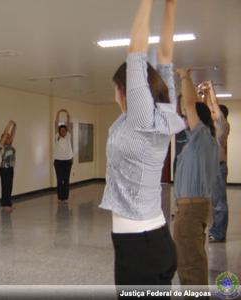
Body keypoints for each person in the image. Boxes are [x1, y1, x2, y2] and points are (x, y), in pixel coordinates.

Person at [99, 0, 185, 287]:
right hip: (157, 238)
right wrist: (170, 5)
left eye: (115, 89)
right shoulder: (164, 111)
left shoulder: (140, 118)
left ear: (123, 90)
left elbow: (136, 53)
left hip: (138, 248)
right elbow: (165, 56)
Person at [173, 70, 219, 287]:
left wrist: (184, 77)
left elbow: (190, 105)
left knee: (189, 264)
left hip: (191, 210)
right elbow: (194, 107)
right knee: (193, 261)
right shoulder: (204, 141)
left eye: (186, 116)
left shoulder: (201, 138)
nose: (184, 118)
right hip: (193, 207)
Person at [201, 81, 230, 243]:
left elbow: (215, 109)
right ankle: (214, 230)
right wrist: (204, 94)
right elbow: (205, 112)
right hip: (210, 168)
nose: (212, 112)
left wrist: (211, 89)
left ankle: (219, 234)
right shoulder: (211, 127)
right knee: (212, 202)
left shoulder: (222, 125)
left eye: (214, 111)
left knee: (219, 203)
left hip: (218, 168)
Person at [53, 109, 73, 203]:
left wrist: (68, 116)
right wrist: (58, 113)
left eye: (64, 130)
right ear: (59, 131)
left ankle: (65, 198)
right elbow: (56, 123)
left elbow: (68, 124)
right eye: (61, 130)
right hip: (58, 162)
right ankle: (60, 198)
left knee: (66, 180)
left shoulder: (68, 136)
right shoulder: (57, 137)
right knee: (60, 180)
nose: (63, 131)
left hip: (68, 161)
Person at [0, 120, 17, 212]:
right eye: (7, 137)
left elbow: (12, 134)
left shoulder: (10, 146)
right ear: (3, 139)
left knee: (9, 186)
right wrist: (9, 125)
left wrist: (14, 126)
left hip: (10, 168)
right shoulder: (1, 146)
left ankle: (8, 203)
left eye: (9, 137)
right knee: (5, 186)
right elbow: (5, 133)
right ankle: (5, 205)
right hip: (4, 169)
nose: (9, 138)